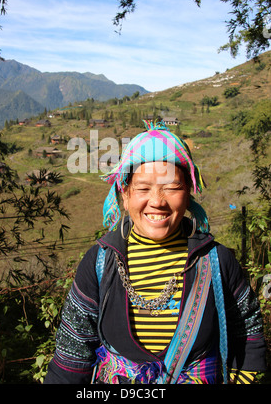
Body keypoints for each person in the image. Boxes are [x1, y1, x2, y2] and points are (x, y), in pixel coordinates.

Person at [44, 120, 266, 384]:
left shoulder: (216, 261)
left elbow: (248, 335)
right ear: (124, 193)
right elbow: (72, 356)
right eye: (143, 187)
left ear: (189, 193)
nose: (158, 201)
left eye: (172, 187)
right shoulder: (99, 263)